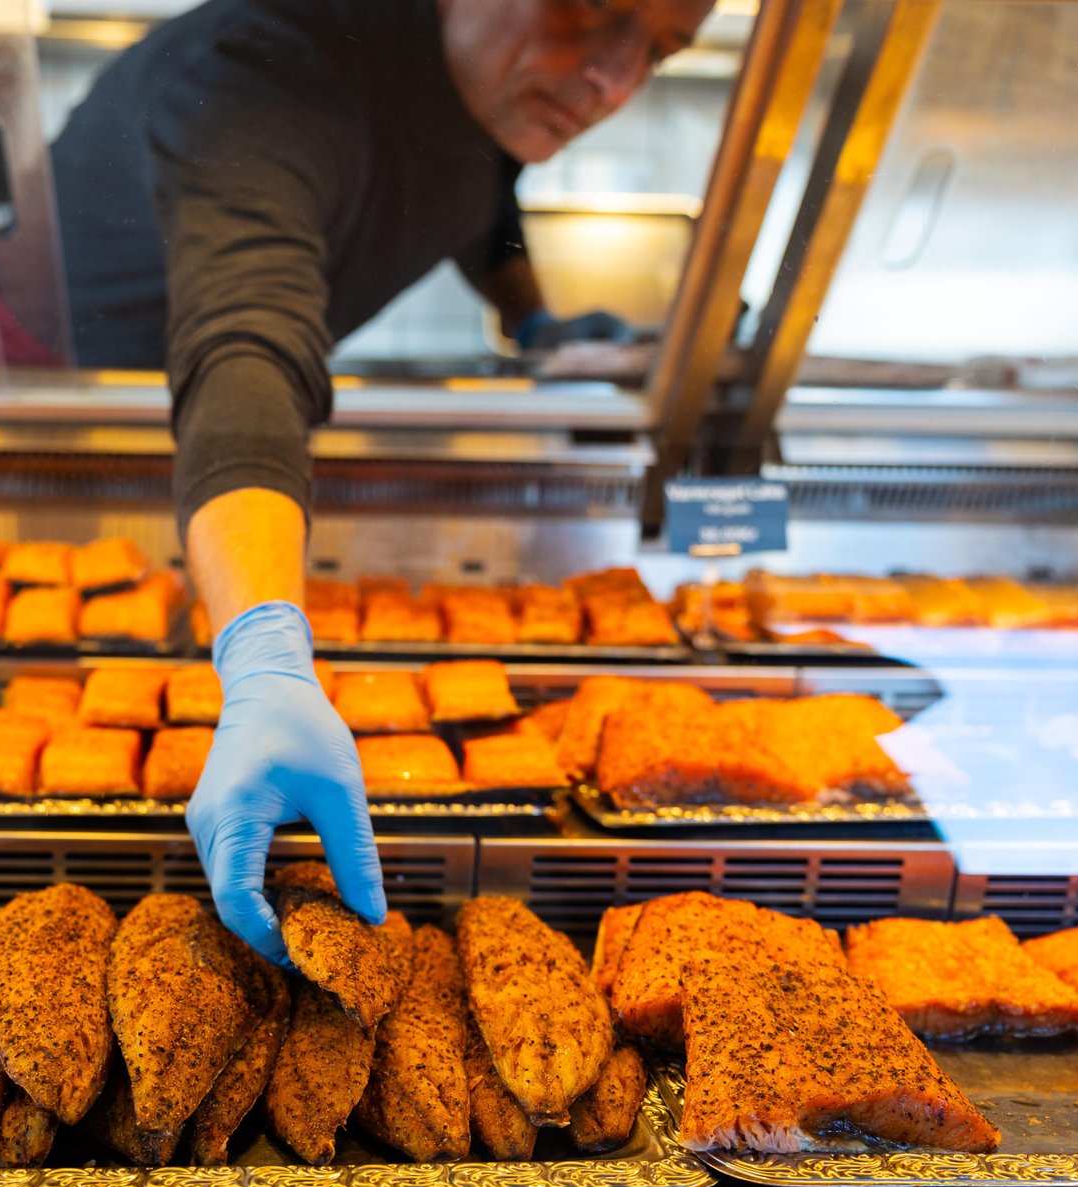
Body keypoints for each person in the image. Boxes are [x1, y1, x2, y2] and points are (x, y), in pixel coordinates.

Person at [50, 0, 715, 962]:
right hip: (87, 427)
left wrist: (530, 318)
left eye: (661, 49)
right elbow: (248, 340)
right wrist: (262, 653)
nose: (614, 77)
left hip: (216, 425)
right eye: (594, 7)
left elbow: (479, 189)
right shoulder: (266, 70)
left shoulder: (490, 80)